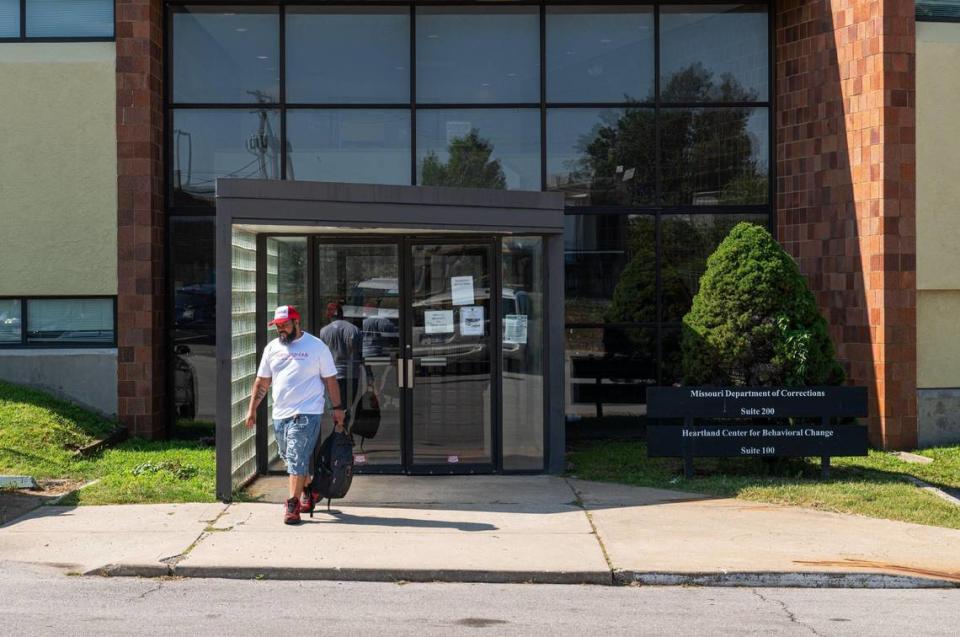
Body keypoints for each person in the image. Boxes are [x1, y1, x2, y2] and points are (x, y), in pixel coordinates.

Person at [245, 305, 345, 525]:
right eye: (278, 326)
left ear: (296, 323)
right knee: (289, 458)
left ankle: (292, 504)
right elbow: (262, 381)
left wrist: (337, 409)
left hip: (307, 412)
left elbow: (330, 380)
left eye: (285, 325)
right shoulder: (272, 348)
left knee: (297, 457)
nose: (281, 329)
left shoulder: (316, 347)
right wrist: (252, 409)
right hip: (281, 413)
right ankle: (310, 488)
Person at [318, 302, 363, 412]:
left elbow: (321, 355)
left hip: (331, 374)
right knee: (347, 407)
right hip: (351, 373)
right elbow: (359, 352)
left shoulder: (323, 331)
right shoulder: (354, 329)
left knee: (335, 407)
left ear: (328, 315)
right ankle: (342, 426)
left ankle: (339, 426)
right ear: (342, 313)